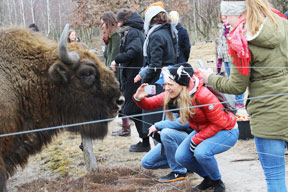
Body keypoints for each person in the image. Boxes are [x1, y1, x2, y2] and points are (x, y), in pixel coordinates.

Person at [200, 0, 288, 191]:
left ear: (241, 14)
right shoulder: (282, 23)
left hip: (269, 115)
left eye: (226, 15)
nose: (224, 20)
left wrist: (210, 77)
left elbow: (236, 86)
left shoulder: (241, 40)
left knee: (275, 178)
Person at [134, 63, 238, 191]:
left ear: (181, 84)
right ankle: (208, 178)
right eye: (165, 84)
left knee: (201, 153)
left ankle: (217, 182)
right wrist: (139, 99)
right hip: (202, 130)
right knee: (181, 157)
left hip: (226, 130)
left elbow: (219, 123)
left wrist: (196, 139)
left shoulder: (203, 95)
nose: (166, 88)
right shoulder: (175, 92)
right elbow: (151, 104)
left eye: (169, 84)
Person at [134, 6, 179, 148]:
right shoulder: (170, 31)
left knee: (153, 115)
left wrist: (144, 79)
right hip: (170, 76)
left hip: (157, 80)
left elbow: (155, 64)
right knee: (165, 114)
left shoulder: (156, 35)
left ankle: (163, 150)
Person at [109, 9, 147, 152]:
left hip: (133, 77)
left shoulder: (133, 32)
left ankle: (145, 141)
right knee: (133, 109)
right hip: (131, 76)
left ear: (123, 21)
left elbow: (134, 50)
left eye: (118, 22)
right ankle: (144, 140)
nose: (118, 25)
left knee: (134, 110)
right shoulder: (135, 31)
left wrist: (117, 59)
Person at [100, 11, 131, 137]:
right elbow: (107, 56)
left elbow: (114, 58)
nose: (101, 26)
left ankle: (125, 128)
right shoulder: (110, 37)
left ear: (107, 22)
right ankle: (125, 127)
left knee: (119, 101)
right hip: (111, 74)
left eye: (102, 23)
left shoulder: (116, 36)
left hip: (116, 75)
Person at [217, 13, 245, 109]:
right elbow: (220, 45)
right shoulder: (221, 28)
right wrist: (219, 59)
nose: (224, 17)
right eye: (222, 16)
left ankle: (240, 101)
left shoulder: (233, 27)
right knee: (230, 80)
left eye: (225, 15)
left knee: (236, 79)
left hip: (233, 57)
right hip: (225, 57)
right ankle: (234, 100)